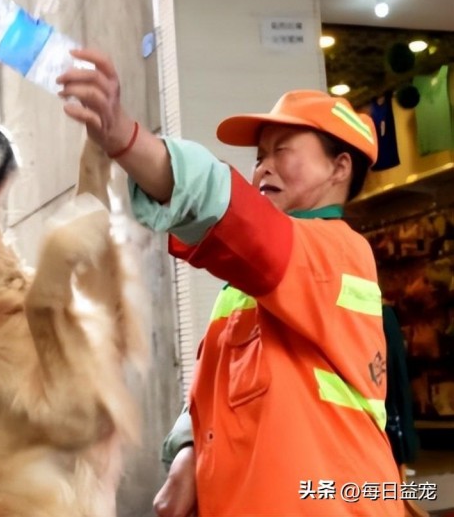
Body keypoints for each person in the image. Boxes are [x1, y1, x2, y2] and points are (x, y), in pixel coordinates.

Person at [58, 49, 403, 516]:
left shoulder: (338, 253)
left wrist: (126, 139)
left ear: (340, 168)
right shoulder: (251, 284)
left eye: (283, 150)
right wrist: (187, 450)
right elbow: (221, 384)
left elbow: (224, 206)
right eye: (260, 156)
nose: (263, 167)